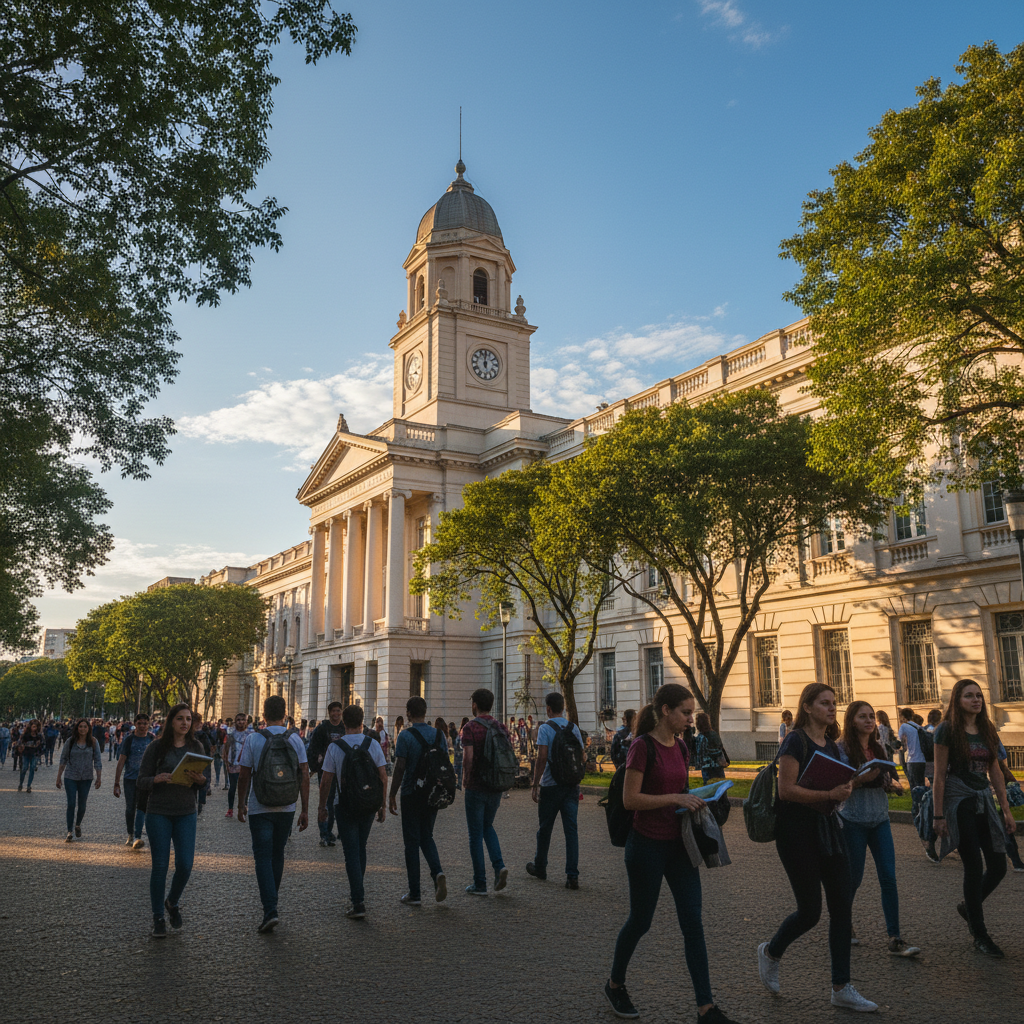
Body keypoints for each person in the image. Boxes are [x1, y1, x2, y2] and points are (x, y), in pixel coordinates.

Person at [605, 683, 739, 1024]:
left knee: (693, 923)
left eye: (691, 712)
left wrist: (701, 797)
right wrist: (676, 799)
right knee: (640, 921)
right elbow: (630, 800)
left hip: (679, 846)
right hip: (646, 845)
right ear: (665, 710)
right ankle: (615, 983)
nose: (690, 719)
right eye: (685, 712)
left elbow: (678, 790)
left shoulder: (681, 747)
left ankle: (706, 1009)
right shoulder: (641, 747)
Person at [757, 682, 877, 1012]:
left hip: (828, 828)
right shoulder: (795, 740)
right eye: (824, 703)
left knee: (842, 905)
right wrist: (828, 795)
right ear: (807, 707)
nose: (832, 707)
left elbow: (837, 785)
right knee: (810, 911)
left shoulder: (834, 747)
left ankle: (841, 986)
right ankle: (771, 951)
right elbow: (786, 791)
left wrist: (847, 787)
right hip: (796, 832)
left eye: (834, 703)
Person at [932, 678, 1016, 957]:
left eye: (979, 695)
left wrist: (1005, 809)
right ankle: (979, 934)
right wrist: (938, 815)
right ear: (957, 700)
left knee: (998, 866)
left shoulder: (986, 728)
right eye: (969, 696)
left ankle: (969, 908)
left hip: (983, 801)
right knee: (972, 866)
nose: (976, 700)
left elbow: (995, 772)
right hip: (960, 802)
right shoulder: (946, 730)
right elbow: (940, 776)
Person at [837, 701, 921, 957]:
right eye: (862, 716)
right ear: (852, 720)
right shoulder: (840, 749)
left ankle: (894, 937)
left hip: (879, 819)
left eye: (872, 716)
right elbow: (840, 786)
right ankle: (843, 924)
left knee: (889, 877)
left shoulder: (878, 746)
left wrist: (890, 784)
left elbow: (883, 777)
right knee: (854, 879)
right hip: (853, 821)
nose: (869, 720)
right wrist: (862, 779)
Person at [236, 695, 310, 933]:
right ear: (286, 715)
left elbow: (244, 774)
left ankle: (270, 909)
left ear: (263, 716)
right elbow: (304, 775)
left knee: (262, 857)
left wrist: (240, 804)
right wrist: (305, 809)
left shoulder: (253, 739)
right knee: (277, 854)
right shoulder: (296, 740)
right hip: (287, 806)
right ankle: (272, 903)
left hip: (260, 806)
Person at [136, 704, 208, 938]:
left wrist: (201, 780)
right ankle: (158, 917)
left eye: (188, 719)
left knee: (185, 865)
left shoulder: (196, 746)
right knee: (160, 867)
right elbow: (141, 780)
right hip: (159, 812)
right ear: (170, 722)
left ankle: (172, 901)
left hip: (186, 812)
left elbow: (203, 783)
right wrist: (155, 779)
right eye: (180, 719)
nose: (185, 723)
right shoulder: (156, 748)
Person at [318, 704, 387, 919]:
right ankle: (358, 893)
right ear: (362, 721)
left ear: (344, 722)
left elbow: (326, 781)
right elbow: (383, 777)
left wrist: (322, 808)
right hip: (368, 804)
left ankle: (358, 901)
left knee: (351, 853)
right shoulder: (373, 744)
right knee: (361, 848)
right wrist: (383, 805)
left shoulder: (335, 747)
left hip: (344, 805)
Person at [389, 696, 448, 906]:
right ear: (425, 711)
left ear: (408, 713)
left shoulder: (405, 736)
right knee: (427, 836)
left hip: (411, 793)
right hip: (433, 793)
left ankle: (415, 893)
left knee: (411, 843)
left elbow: (400, 767)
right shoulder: (439, 735)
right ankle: (437, 872)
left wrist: (392, 793)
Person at [526, 692, 582, 889]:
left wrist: (535, 783)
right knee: (571, 831)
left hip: (550, 785)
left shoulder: (545, 728)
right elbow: (581, 756)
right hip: (571, 786)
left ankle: (540, 866)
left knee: (545, 829)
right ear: (563, 707)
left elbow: (542, 757)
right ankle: (572, 875)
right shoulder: (573, 727)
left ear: (548, 708)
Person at [460, 688, 510, 896]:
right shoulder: (501, 726)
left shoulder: (470, 727)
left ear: (475, 705)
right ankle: (499, 867)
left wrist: (464, 778)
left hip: (476, 786)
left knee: (475, 834)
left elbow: (468, 757)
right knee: (488, 826)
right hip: (495, 785)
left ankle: (480, 882)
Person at [306, 701, 347, 846]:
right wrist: (315, 765)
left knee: (342, 801)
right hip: (326, 770)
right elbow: (312, 748)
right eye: (333, 711)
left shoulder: (345, 728)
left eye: (338, 711)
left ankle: (342, 830)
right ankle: (325, 832)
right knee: (327, 801)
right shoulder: (322, 729)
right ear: (329, 713)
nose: (336, 714)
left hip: (343, 771)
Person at [56, 718, 103, 841]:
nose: (82, 729)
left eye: (85, 727)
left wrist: (99, 777)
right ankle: (69, 831)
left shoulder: (93, 742)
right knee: (71, 804)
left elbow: (97, 760)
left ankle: (78, 824)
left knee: (82, 805)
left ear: (89, 729)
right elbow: (63, 759)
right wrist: (58, 777)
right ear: (77, 728)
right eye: (80, 726)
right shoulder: (70, 742)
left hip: (86, 778)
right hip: (70, 776)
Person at [113, 713, 154, 849]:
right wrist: (116, 783)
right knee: (130, 808)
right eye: (140, 723)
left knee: (142, 808)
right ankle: (130, 833)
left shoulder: (152, 740)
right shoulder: (129, 740)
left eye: (145, 723)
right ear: (135, 724)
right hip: (130, 779)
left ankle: (138, 836)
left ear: (149, 725)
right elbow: (121, 760)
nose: (142, 726)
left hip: (146, 780)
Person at [223, 712, 248, 818]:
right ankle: (230, 808)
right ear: (235, 721)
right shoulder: (231, 733)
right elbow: (226, 747)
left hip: (245, 765)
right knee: (233, 787)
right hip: (233, 763)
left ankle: (243, 806)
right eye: (238, 720)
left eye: (243, 719)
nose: (241, 722)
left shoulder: (249, 734)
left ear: (246, 721)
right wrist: (225, 760)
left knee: (246, 787)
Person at [694, 712, 728, 785]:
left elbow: (699, 753)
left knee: (709, 788)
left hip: (706, 767)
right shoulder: (713, 734)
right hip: (717, 766)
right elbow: (720, 748)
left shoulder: (700, 737)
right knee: (720, 788)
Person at [898, 708, 926, 792]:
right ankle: (923, 803)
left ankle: (916, 803)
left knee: (913, 786)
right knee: (921, 784)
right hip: (922, 759)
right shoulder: (919, 727)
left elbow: (900, 742)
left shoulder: (904, 726)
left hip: (912, 759)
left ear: (903, 717)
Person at [17, 720, 44, 792]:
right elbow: (20, 743)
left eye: (36, 727)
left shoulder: (39, 736)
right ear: (30, 727)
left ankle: (29, 786)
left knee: (32, 769)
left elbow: (42, 745)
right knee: (24, 768)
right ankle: (21, 783)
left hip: (34, 754)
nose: (34, 728)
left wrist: (40, 750)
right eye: (33, 726)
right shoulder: (26, 735)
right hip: (26, 753)